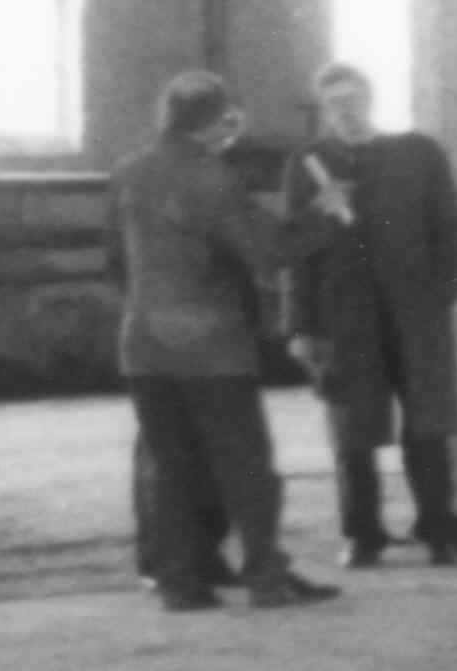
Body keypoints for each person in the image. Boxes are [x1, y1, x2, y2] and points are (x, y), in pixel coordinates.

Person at [113, 71, 329, 614]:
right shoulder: (215, 177)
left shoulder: (128, 173)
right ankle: (265, 577)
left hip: (144, 345)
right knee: (246, 467)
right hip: (213, 349)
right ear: (215, 122)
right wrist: (320, 217)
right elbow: (264, 254)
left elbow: (114, 258)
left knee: (170, 468)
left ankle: (180, 583)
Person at [285, 63, 457, 567]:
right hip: (344, 318)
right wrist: (301, 326)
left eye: (353, 99)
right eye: (335, 103)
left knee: (428, 424)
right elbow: (296, 253)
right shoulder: (309, 165)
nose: (346, 111)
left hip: (415, 314)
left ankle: (440, 532)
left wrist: (438, 296)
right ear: (324, 110)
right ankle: (362, 536)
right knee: (351, 430)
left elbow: (449, 230)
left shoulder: (418, 154)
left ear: (370, 99)